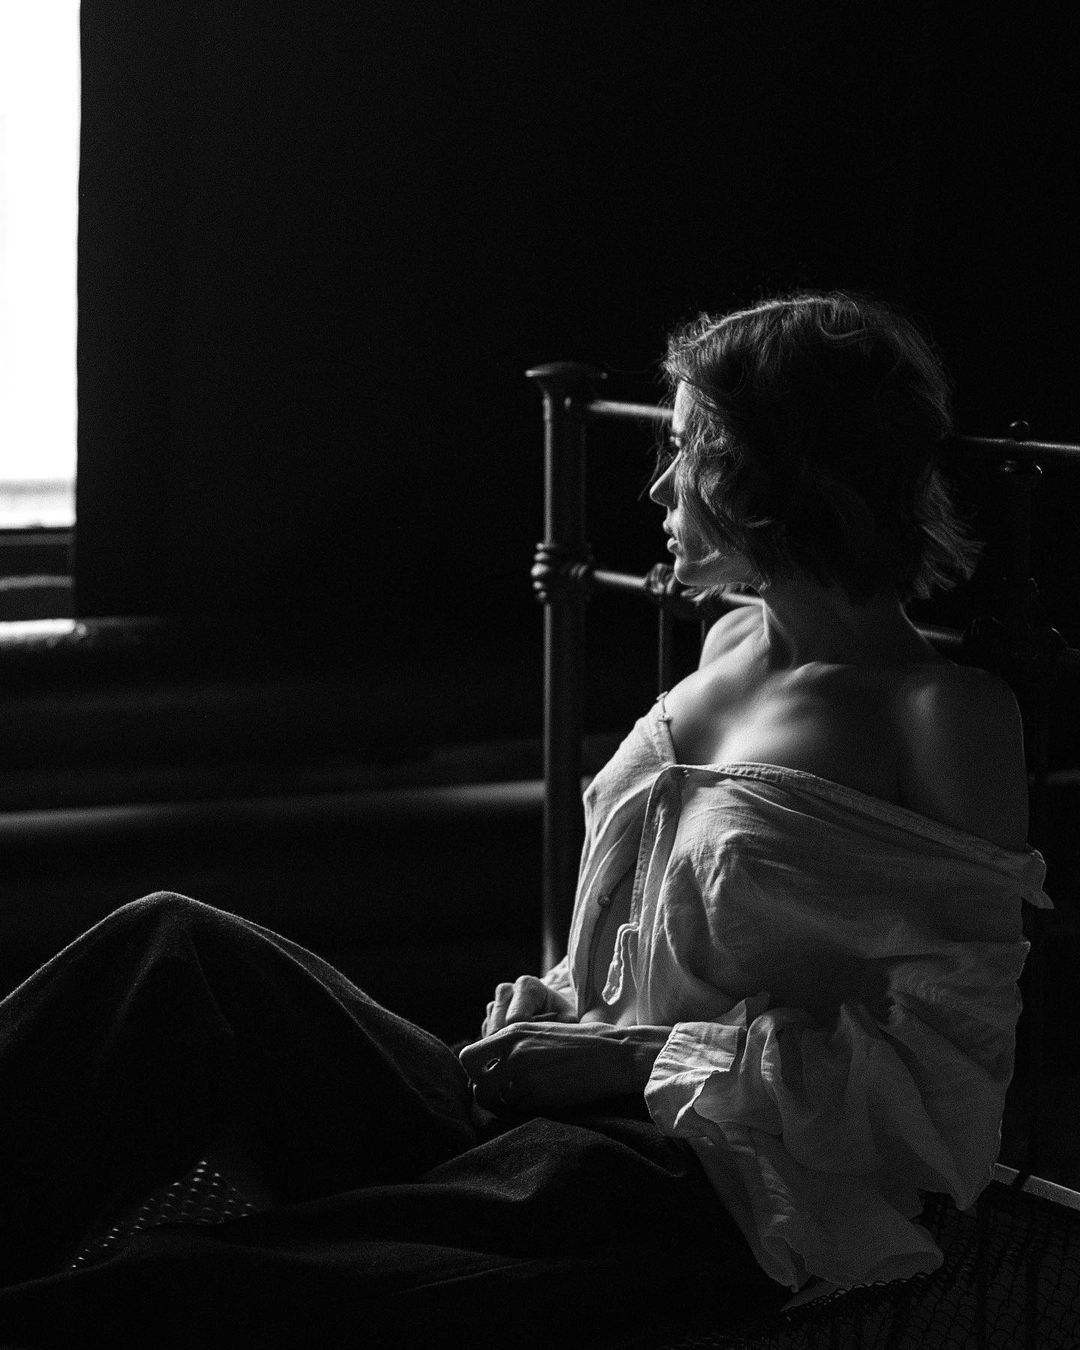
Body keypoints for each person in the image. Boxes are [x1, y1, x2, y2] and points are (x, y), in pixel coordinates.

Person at [0, 292, 1049, 1349]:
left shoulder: (940, 716)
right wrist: (558, 1004)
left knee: (175, 1287)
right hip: (539, 1115)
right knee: (171, 949)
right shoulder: (728, 646)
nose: (660, 485)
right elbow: (669, 926)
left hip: (701, 1183)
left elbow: (945, 1089)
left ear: (776, 471)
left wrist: (631, 1059)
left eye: (688, 447)